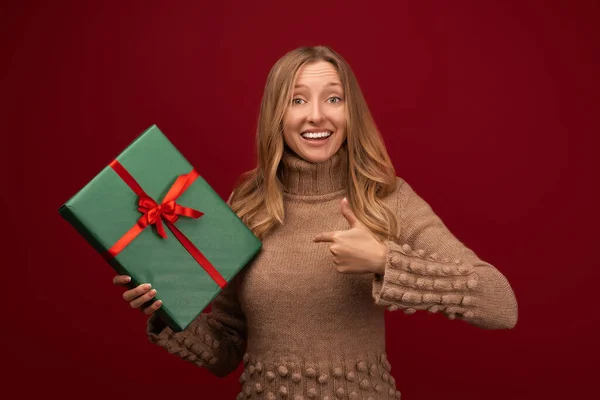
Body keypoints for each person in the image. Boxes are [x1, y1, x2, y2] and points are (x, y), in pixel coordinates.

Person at [113, 46, 518, 399]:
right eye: (298, 100)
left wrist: (385, 263)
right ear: (277, 113)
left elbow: (501, 304)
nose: (317, 116)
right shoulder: (248, 203)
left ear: (351, 111)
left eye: (334, 99)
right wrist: (167, 310)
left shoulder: (385, 198)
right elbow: (224, 350)